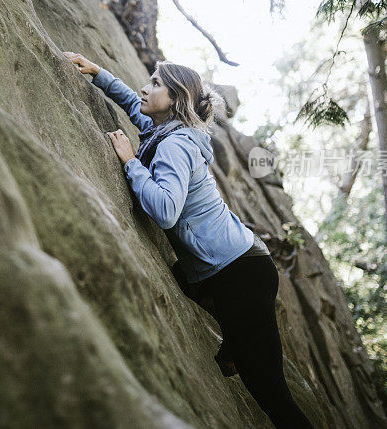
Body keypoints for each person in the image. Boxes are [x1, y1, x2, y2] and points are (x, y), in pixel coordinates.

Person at [64, 51, 314, 429]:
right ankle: (235, 336)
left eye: (155, 84)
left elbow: (164, 209)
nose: (144, 88)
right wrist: (98, 73)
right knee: (181, 279)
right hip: (232, 266)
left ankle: (237, 339)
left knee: (269, 392)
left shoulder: (174, 145)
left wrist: (130, 162)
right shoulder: (167, 128)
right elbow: (135, 105)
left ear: (176, 99)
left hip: (239, 273)